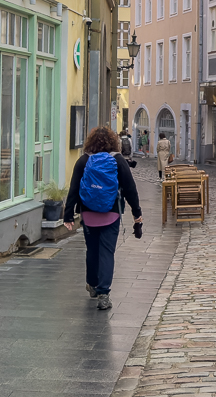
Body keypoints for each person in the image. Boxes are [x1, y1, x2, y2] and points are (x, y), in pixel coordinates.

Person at [63, 126, 143, 310]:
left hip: (89, 213)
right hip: (111, 213)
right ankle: (104, 294)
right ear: (113, 142)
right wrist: (136, 213)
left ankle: (92, 284)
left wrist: (68, 215)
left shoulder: (83, 161)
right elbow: (130, 189)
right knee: (107, 252)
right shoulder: (118, 161)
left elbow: (74, 188)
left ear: (90, 142)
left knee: (92, 250)